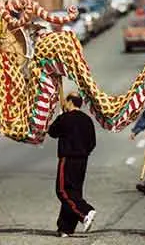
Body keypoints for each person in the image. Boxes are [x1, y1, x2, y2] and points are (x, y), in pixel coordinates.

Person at [48, 92, 97, 237]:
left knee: (62, 191)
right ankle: (65, 228)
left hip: (68, 159)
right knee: (74, 193)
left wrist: (61, 116)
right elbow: (92, 143)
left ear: (69, 102)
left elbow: (52, 132)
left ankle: (85, 211)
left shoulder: (65, 118)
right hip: (82, 160)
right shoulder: (87, 120)